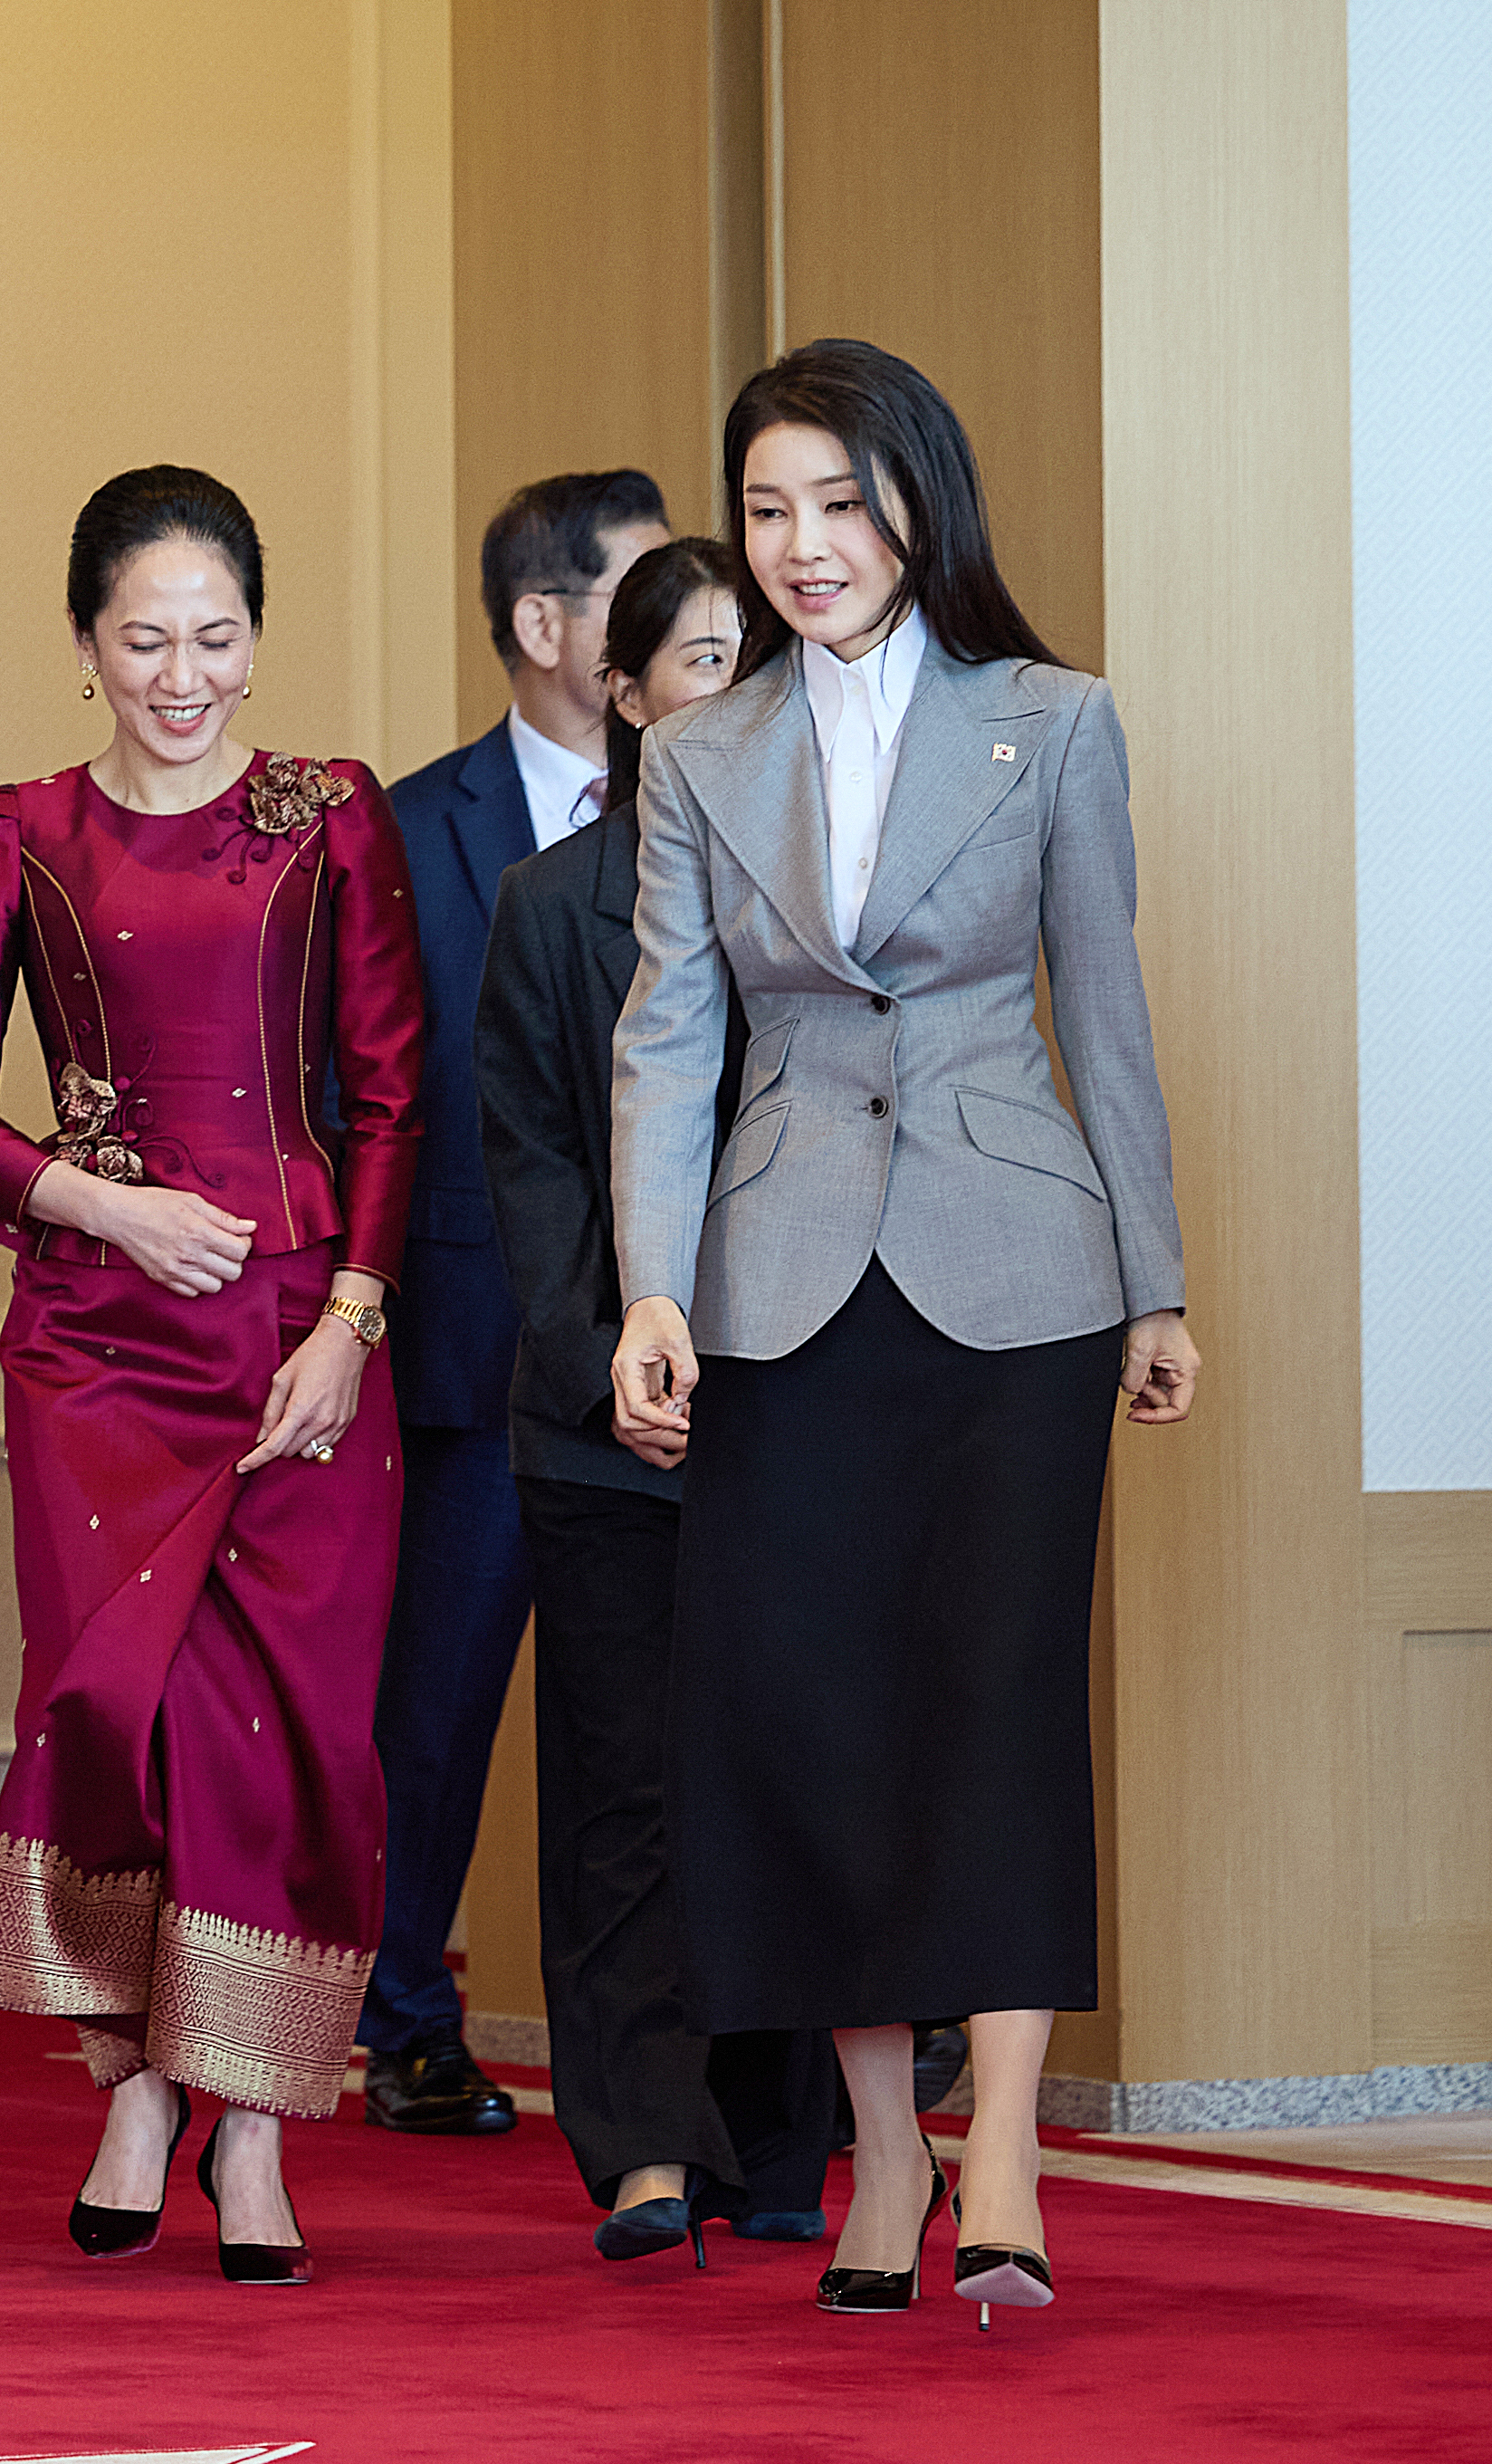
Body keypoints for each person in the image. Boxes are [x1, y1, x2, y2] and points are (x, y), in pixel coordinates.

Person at [608, 340, 1200, 2325]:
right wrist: (654, 1290)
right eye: (767, 508)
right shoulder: (698, 751)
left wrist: (1155, 1279)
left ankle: (1008, 2148)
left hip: (1013, 1276)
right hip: (778, 1283)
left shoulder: (1051, 721)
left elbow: (1100, 1010)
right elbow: (667, 1038)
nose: (801, 546)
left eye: (838, 504)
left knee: (995, 1701)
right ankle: (882, 2151)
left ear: (914, 505)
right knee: (811, 1723)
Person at [0, 465, 425, 2287]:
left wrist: (347, 1321)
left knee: (286, 1734)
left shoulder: (327, 814)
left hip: (296, 1342)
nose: (182, 677)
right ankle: (131, 2078)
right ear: (81, 644)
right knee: (115, 1710)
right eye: (144, 640)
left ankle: (254, 2124)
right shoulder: (18, 829)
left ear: (257, 640)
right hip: (95, 1344)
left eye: (215, 639)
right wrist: (102, 1211)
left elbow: (390, 1085)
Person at [475, 536, 839, 2266]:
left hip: (790, 1415)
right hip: (596, 1419)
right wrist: (607, 1355)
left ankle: (777, 2144)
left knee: (778, 1777)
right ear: (620, 697)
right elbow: (529, 1173)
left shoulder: (817, 895)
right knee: (620, 1791)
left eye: (748, 662)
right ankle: (637, 2144)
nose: (730, 689)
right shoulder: (551, 907)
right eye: (697, 661)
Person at [364, 468, 670, 2134]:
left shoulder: (724, 797)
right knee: (436, 1706)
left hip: (699, 1339)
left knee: (683, 1718)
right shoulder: (410, 831)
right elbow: (378, 1101)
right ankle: (405, 2018)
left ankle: (714, 2045)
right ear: (547, 625)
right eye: (638, 587)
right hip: (475, 1350)